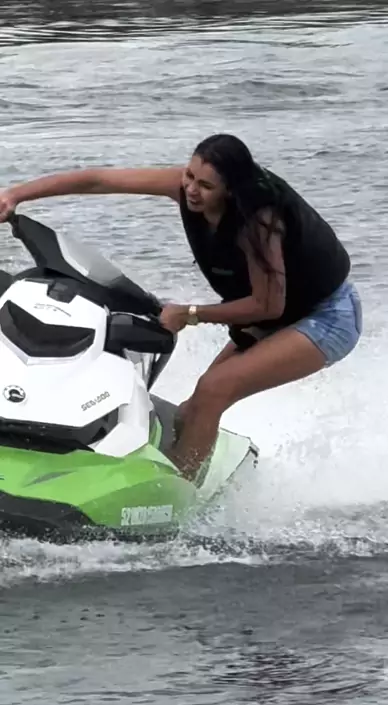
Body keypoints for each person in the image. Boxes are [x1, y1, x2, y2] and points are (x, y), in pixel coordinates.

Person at [0, 134, 362, 480]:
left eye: (205, 185)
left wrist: (190, 314)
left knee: (214, 390)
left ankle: (181, 497)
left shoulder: (260, 222)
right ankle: (183, 468)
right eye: (189, 175)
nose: (191, 189)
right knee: (189, 413)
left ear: (230, 190)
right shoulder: (184, 188)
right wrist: (15, 195)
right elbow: (99, 180)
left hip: (327, 316)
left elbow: (267, 305)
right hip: (278, 312)